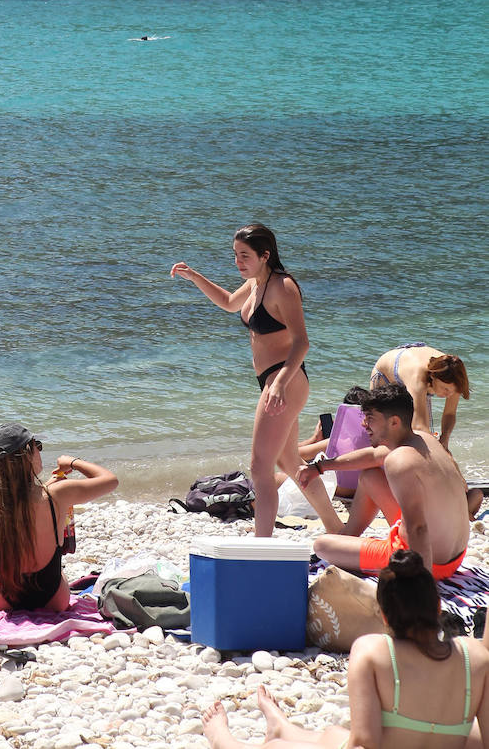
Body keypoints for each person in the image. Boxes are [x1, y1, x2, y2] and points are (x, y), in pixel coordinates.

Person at [200, 550, 489, 749]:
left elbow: (364, 743)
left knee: (284, 747)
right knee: (333, 734)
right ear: (438, 607)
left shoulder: (372, 652)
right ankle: (282, 727)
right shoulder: (476, 658)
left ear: (383, 614)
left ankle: (226, 741)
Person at [171, 223, 341, 537]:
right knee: (289, 460)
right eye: (235, 255)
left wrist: (278, 385)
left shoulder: (282, 286)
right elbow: (227, 302)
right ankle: (336, 526)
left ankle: (261, 542)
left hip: (284, 380)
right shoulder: (254, 284)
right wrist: (194, 277)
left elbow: (302, 342)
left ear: (265, 255)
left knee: (260, 466)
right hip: (274, 381)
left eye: (245, 255)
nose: (238, 262)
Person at [299, 384, 469, 578]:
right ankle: (348, 537)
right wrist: (320, 467)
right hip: (455, 555)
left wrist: (423, 587)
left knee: (322, 545)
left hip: (429, 562)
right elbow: (372, 456)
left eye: (370, 419)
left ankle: (345, 544)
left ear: (394, 422)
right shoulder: (424, 439)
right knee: (370, 476)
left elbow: (417, 528)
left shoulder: (400, 462)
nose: (364, 425)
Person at [0, 423, 117, 612]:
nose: (40, 452)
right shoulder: (56, 495)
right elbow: (110, 480)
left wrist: (49, 486)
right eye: (37, 446)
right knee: (60, 574)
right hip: (53, 600)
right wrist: (73, 462)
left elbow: (21, 503)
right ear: (28, 455)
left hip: (1, 598)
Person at [369, 344, 470, 449]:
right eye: (445, 389)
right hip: (387, 370)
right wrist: (436, 450)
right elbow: (419, 427)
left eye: (453, 391)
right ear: (432, 377)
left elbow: (449, 414)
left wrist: (444, 438)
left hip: (419, 358)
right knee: (380, 427)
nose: (449, 394)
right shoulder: (418, 378)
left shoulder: (455, 377)